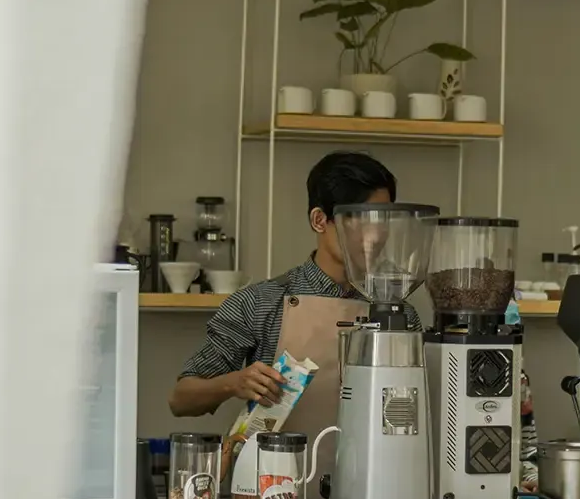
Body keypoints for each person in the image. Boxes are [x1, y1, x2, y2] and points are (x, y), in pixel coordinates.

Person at [168, 151, 420, 421]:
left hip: (372, 462)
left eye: (384, 221)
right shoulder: (259, 302)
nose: (377, 235)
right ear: (319, 220)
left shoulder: (399, 314)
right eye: (363, 220)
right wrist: (234, 383)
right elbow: (180, 400)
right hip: (276, 463)